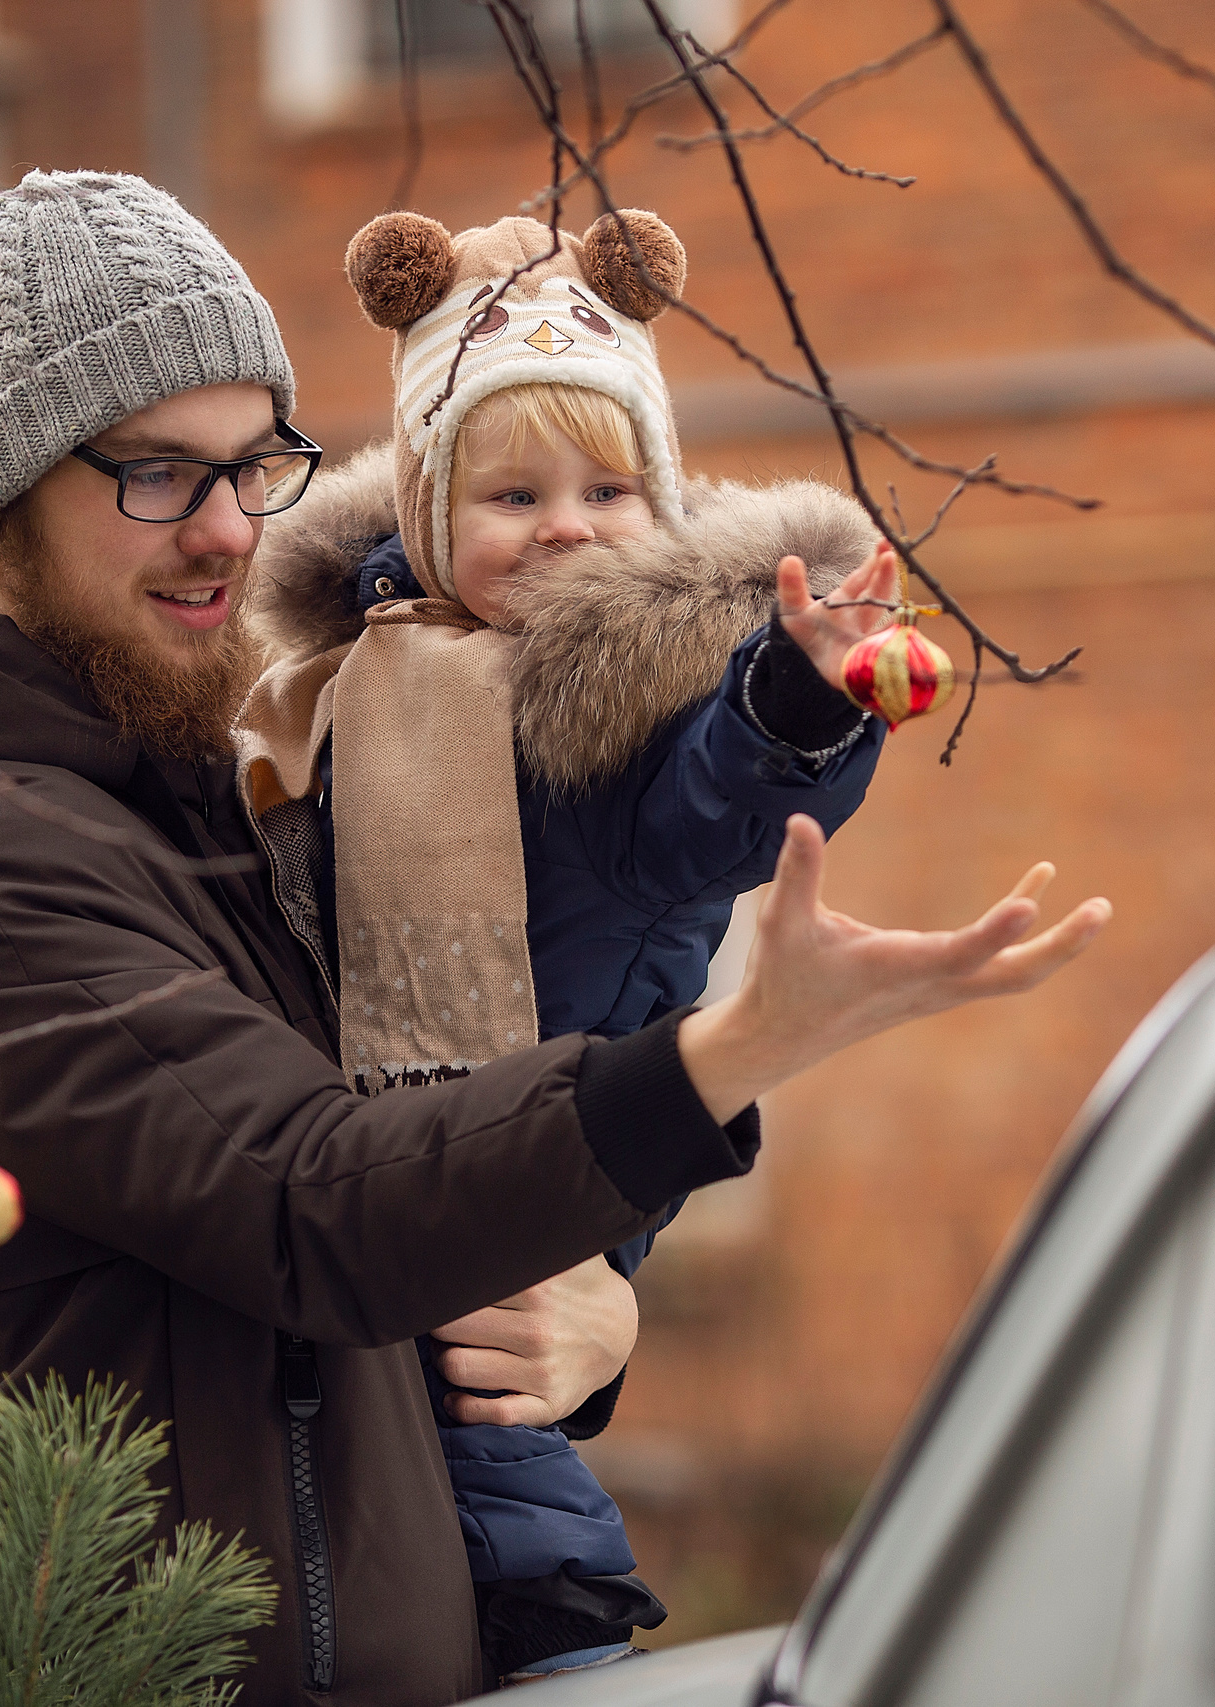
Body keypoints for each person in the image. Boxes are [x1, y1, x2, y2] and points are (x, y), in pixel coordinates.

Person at [0, 170, 1106, 1707]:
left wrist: (580, 1300)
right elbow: (314, 1200)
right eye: (158, 477)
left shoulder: (197, 790)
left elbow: (419, 1134)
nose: (229, 532)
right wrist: (723, 1054)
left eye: (258, 466)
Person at [235, 207, 908, 1682]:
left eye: (610, 488)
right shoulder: (343, 690)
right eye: (513, 490)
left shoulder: (620, 725)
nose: (565, 525)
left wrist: (792, 709)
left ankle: (551, 1621)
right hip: (346, 1213)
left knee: (501, 1511)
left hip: (519, 1212)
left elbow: (715, 815)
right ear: (423, 513)